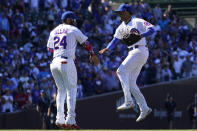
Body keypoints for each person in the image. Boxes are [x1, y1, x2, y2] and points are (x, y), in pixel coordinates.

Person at [99, 4, 154, 122]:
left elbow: (152, 30)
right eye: (118, 12)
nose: (119, 14)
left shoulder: (137, 21)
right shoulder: (120, 27)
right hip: (133, 52)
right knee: (131, 82)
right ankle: (144, 108)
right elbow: (114, 41)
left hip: (140, 50)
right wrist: (107, 48)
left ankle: (128, 101)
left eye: (122, 12)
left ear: (128, 12)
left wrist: (141, 35)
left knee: (121, 71)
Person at [47, 11, 99, 129]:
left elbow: (50, 49)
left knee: (61, 90)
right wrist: (91, 53)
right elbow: (86, 43)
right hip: (66, 61)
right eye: (73, 19)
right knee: (71, 90)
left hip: (54, 62)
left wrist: (62, 51)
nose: (75, 21)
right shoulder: (72, 29)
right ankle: (70, 119)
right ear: (69, 20)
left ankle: (59, 119)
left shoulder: (54, 30)